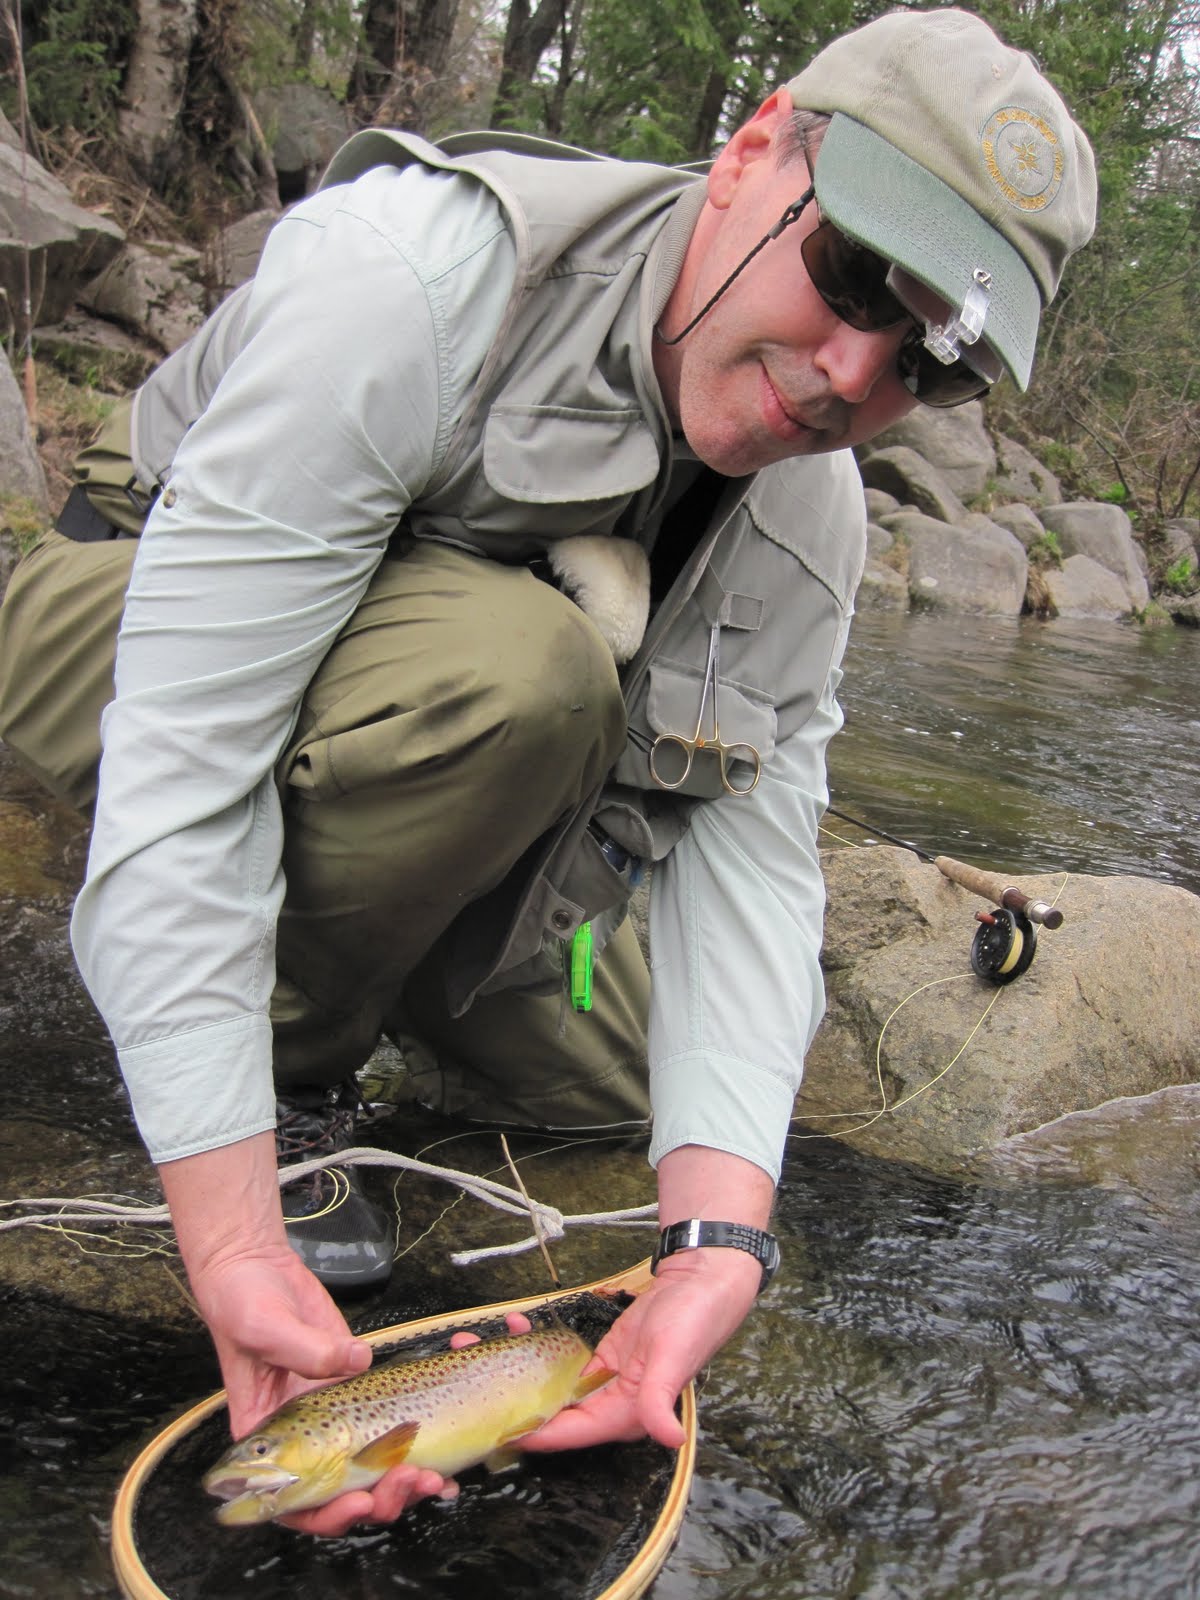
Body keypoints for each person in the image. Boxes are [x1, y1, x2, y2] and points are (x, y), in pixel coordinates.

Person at [0, 6, 1095, 1536]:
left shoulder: (813, 517)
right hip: (117, 626)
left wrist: (720, 1240)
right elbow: (188, 764)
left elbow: (751, 864)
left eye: (937, 359)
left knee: (652, 1089)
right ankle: (294, 1063)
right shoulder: (413, 284)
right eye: (853, 274)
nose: (855, 368)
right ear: (757, 148)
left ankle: (396, 955)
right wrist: (232, 1225)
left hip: (441, 754)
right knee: (517, 676)